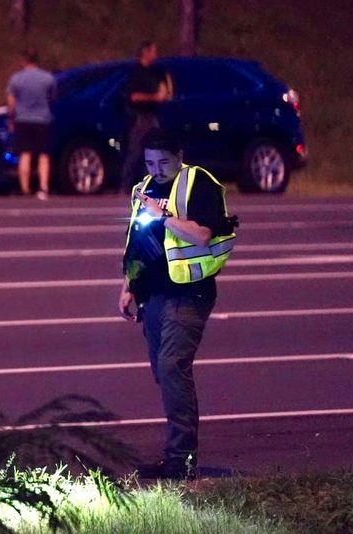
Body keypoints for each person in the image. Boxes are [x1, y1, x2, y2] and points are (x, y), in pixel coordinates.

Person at [118, 128, 238, 480]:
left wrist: (162, 215)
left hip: (189, 293)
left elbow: (202, 235)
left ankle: (181, 462)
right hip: (152, 295)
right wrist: (128, 285)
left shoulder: (199, 183)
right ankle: (177, 456)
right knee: (164, 373)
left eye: (163, 162)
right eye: (150, 162)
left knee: (172, 367)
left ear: (179, 155)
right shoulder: (142, 189)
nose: (156, 169)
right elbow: (137, 241)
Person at [119, 41, 172, 192]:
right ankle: (124, 186)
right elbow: (134, 97)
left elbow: (165, 90)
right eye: (153, 51)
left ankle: (149, 185)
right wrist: (155, 97)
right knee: (135, 152)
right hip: (141, 117)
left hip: (152, 115)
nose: (156, 54)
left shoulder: (155, 72)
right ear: (145, 52)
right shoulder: (136, 73)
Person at [6, 49, 56, 200]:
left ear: (23, 61)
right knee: (43, 155)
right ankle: (44, 186)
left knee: (25, 154)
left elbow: (11, 102)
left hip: (23, 119)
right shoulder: (47, 78)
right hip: (42, 119)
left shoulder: (16, 79)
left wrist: (11, 118)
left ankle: (25, 188)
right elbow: (52, 97)